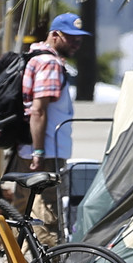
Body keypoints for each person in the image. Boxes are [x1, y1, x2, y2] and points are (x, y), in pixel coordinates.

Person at [20, 12, 88, 228]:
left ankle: (14, 258)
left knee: (22, 208)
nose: (77, 42)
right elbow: (38, 110)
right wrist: (38, 153)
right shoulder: (49, 64)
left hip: (33, 148)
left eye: (79, 37)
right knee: (47, 212)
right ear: (55, 35)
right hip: (46, 151)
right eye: (71, 37)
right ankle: (49, 261)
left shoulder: (36, 57)